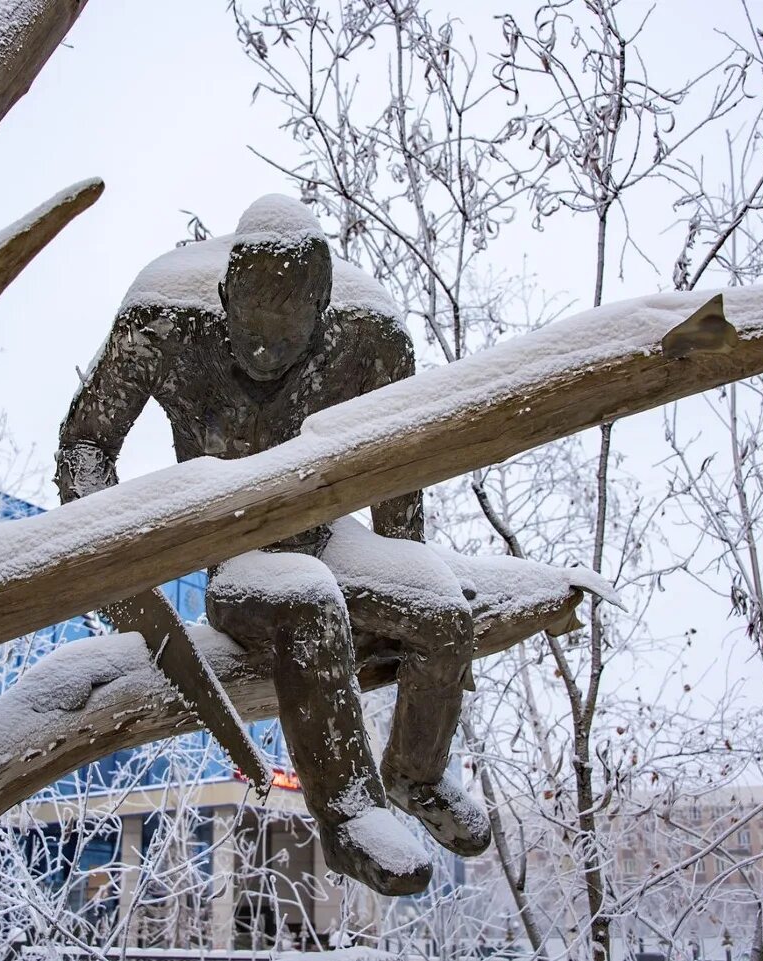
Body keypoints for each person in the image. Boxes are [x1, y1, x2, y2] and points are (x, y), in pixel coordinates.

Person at [56, 194, 490, 895]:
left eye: (282, 340)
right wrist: (113, 556)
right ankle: (349, 814)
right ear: (225, 295)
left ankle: (416, 772)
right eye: (247, 333)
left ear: (321, 313)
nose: (261, 354)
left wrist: (404, 591)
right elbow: (85, 444)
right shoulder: (164, 322)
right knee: (308, 599)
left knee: (438, 607)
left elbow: (397, 477)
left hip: (330, 538)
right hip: (241, 562)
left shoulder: (369, 338)